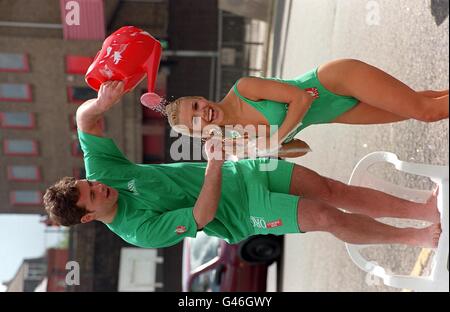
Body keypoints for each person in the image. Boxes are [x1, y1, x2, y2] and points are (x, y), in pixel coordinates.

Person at [43, 81, 441, 249]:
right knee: (325, 215)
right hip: (244, 213)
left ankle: (422, 210)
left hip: (245, 171)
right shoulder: (137, 231)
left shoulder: (103, 173)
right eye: (91, 196)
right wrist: (215, 163)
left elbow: (84, 121)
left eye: (88, 183)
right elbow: (202, 214)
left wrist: (101, 104)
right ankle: (414, 239)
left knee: (332, 189)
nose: (97, 187)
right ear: (88, 218)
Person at [164, 58, 448, 158]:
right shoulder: (238, 137)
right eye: (196, 119)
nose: (203, 112)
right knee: (427, 102)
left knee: (427, 111)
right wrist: (255, 150)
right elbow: (300, 148)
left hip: (334, 81)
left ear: (200, 97)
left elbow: (302, 98)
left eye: (196, 105)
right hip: (337, 113)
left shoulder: (243, 88)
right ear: (199, 132)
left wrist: (274, 139)